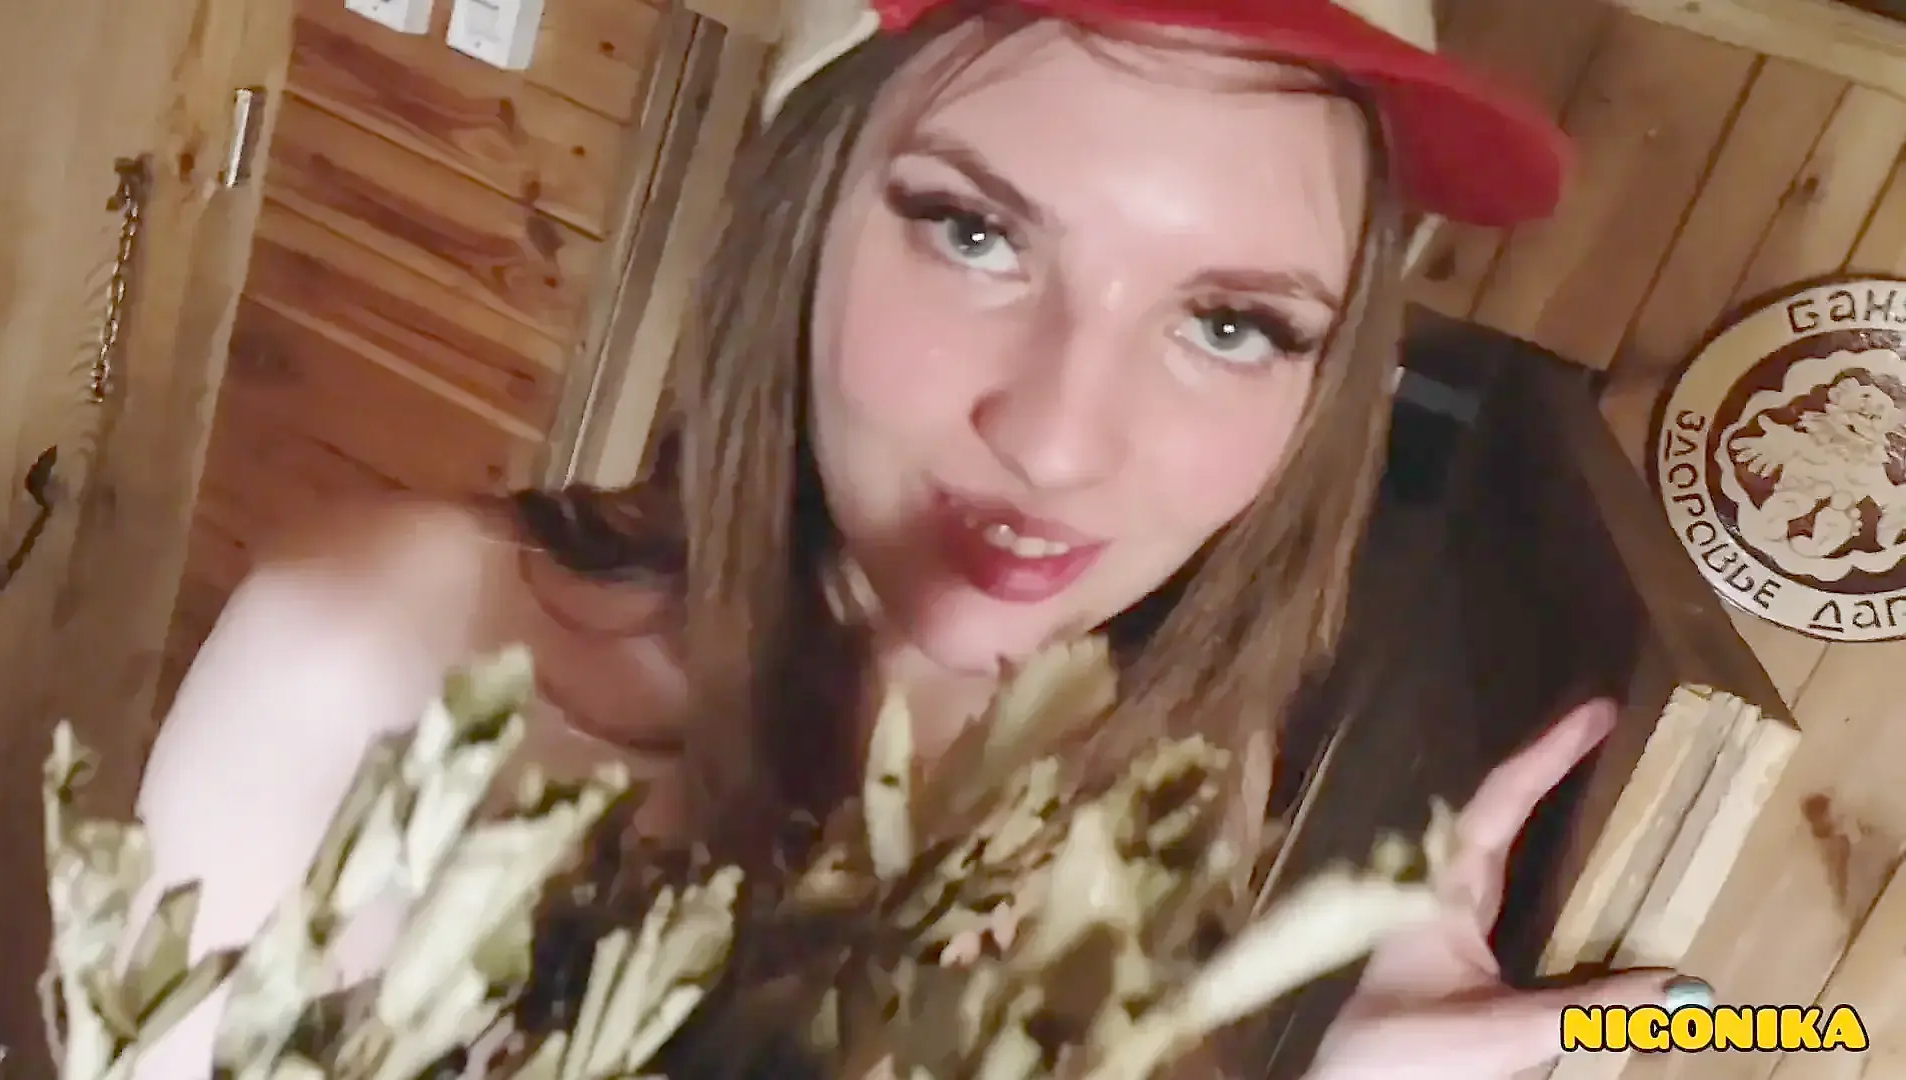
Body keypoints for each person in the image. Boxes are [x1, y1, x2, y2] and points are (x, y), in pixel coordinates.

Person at [128, 0, 1710, 1075]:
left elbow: (1766, 1035)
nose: (1061, 440)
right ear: (803, 221)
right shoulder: (379, 667)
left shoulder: (1165, 775)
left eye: (1231, 324)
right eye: (975, 233)